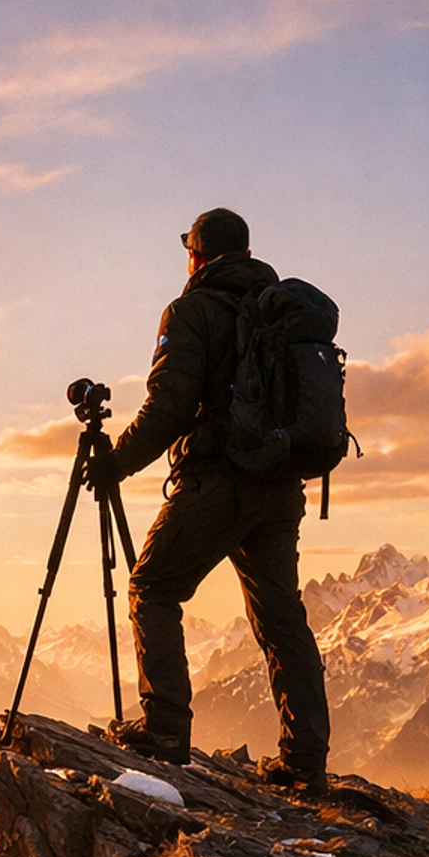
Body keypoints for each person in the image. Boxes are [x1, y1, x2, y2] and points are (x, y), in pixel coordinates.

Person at [105, 207, 331, 795]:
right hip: (280, 486)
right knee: (281, 616)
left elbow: (168, 409)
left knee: (152, 588)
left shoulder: (191, 311)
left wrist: (114, 464)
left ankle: (165, 730)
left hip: (219, 481)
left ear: (196, 256)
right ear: (249, 255)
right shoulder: (277, 313)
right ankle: (304, 760)